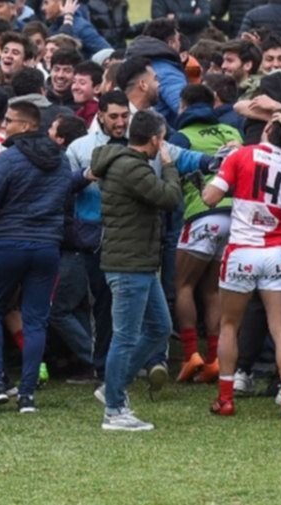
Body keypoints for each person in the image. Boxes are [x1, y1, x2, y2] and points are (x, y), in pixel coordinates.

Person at [0, 101, 72, 413]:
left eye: (9, 120)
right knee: (36, 320)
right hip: (47, 247)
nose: (4, 125)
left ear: (24, 125)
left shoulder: (7, 160)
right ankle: (27, 394)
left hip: (8, 244)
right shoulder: (62, 162)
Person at [202, 121, 281, 420]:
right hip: (276, 252)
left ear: (267, 131)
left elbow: (210, 197)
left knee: (229, 325)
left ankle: (225, 398)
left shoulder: (241, 155)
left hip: (242, 251)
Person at [89, 110, 181, 431]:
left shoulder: (121, 162)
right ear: (155, 139)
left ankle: (113, 386)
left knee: (159, 327)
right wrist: (169, 166)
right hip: (129, 265)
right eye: (162, 138)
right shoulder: (132, 168)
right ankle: (114, 410)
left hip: (136, 262)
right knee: (126, 336)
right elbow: (169, 198)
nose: (163, 144)